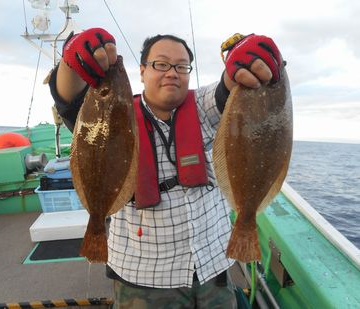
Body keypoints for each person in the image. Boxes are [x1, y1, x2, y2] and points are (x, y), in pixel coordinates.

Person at [49, 28, 283, 309]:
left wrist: (248, 59)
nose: (172, 72)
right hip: (144, 277)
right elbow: (70, 98)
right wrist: (71, 61)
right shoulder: (114, 111)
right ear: (142, 71)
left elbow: (228, 87)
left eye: (181, 66)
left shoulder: (202, 106)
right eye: (161, 64)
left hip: (214, 266)